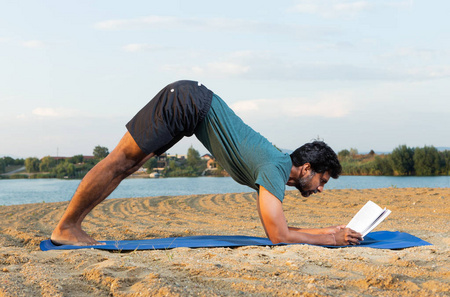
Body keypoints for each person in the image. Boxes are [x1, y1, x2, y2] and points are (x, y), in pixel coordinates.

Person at [51, 80, 362, 247]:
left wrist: (326, 231)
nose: (321, 189)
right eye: (323, 181)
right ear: (306, 168)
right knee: (121, 163)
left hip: (190, 105)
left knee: (126, 166)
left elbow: (276, 227)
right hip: (187, 102)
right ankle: (67, 227)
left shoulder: (277, 167)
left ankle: (69, 226)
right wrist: (328, 238)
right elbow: (278, 236)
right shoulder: (275, 168)